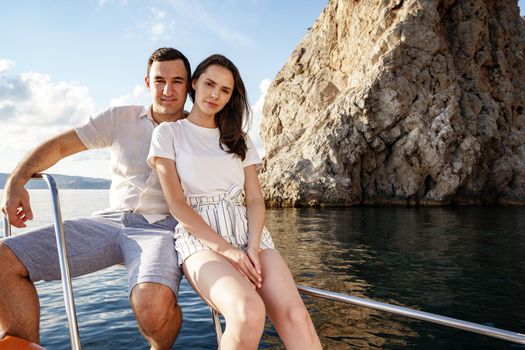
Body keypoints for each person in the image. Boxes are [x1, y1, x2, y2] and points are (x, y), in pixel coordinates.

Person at [0, 47, 191, 350]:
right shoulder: (119, 118)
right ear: (147, 82)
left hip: (162, 228)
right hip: (109, 221)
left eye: (177, 81)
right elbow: (61, 146)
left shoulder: (199, 131)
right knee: (3, 259)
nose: (167, 90)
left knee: (153, 309)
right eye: (159, 80)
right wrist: (17, 180)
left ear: (189, 85)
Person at [146, 54, 323, 350]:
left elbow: (254, 199)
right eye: (209, 84)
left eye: (225, 90)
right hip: (200, 238)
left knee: (297, 315)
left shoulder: (239, 139)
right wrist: (229, 251)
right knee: (247, 311)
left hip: (249, 234)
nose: (215, 94)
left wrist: (251, 247)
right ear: (194, 84)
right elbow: (177, 204)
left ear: (231, 97)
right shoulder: (169, 134)